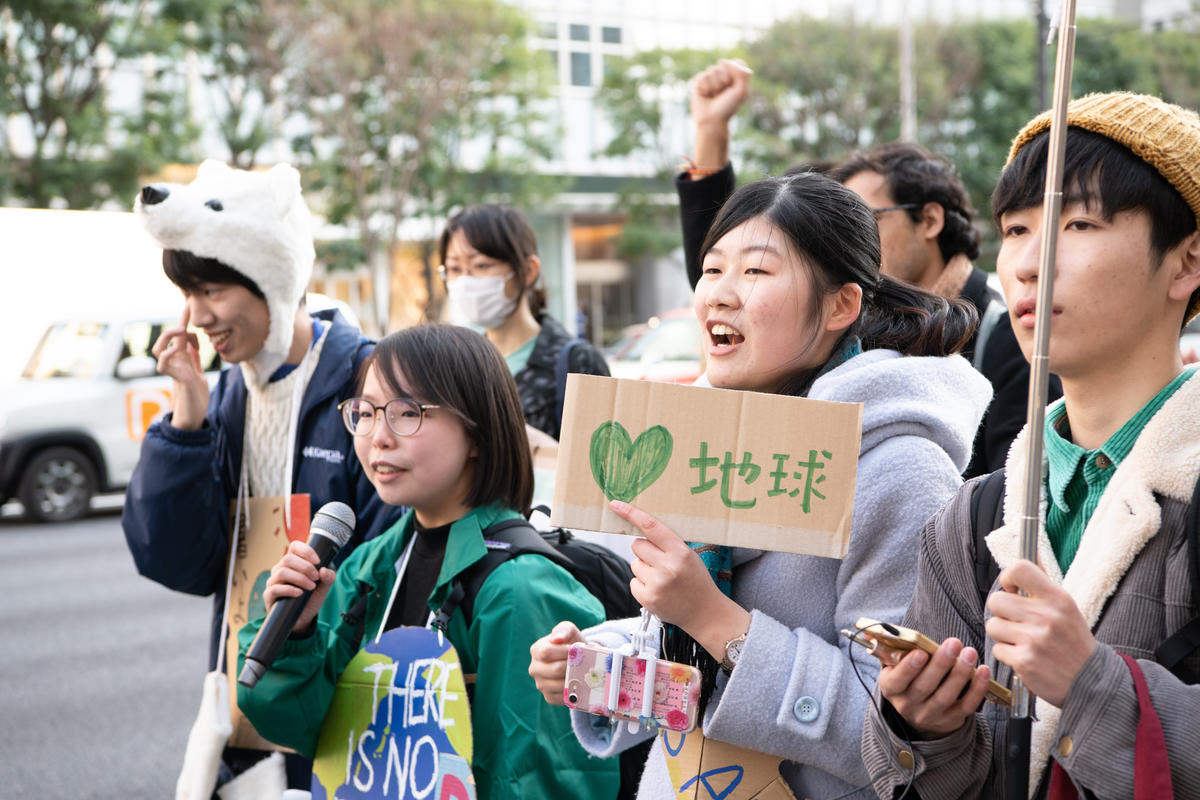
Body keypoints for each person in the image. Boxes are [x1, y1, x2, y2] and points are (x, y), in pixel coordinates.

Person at [529, 172, 992, 798]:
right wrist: (594, 663)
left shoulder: (900, 468)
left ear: (840, 306)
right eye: (712, 269)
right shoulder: (707, 437)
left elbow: (894, 741)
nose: (718, 295)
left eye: (756, 272)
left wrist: (714, 618)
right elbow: (690, 679)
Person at [861, 92, 1200, 799]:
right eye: (1016, 229)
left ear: (1187, 262)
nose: (1028, 262)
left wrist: (1091, 682)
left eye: (1078, 222)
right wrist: (926, 727)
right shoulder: (975, 515)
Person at [235, 323, 620, 799]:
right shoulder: (368, 567)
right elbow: (315, 734)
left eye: (407, 412)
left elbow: (543, 780)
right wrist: (296, 636)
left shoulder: (521, 588)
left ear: (476, 431)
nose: (378, 436)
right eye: (367, 412)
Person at [121, 160, 396, 787]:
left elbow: (394, 560)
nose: (196, 316)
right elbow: (179, 562)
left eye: (212, 290)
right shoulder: (222, 396)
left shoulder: (369, 382)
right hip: (244, 686)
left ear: (271, 278)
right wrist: (186, 420)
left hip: (337, 687)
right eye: (187, 295)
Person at [677, 58, 1060, 478]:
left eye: (866, 217)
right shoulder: (835, 341)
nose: (721, 292)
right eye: (714, 272)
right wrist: (710, 134)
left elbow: (1016, 493)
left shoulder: (1001, 333)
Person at [439, 204, 609, 441]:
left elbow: (599, 468)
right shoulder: (459, 365)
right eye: (454, 268)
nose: (466, 281)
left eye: (481, 265)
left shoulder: (576, 362)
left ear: (528, 271)